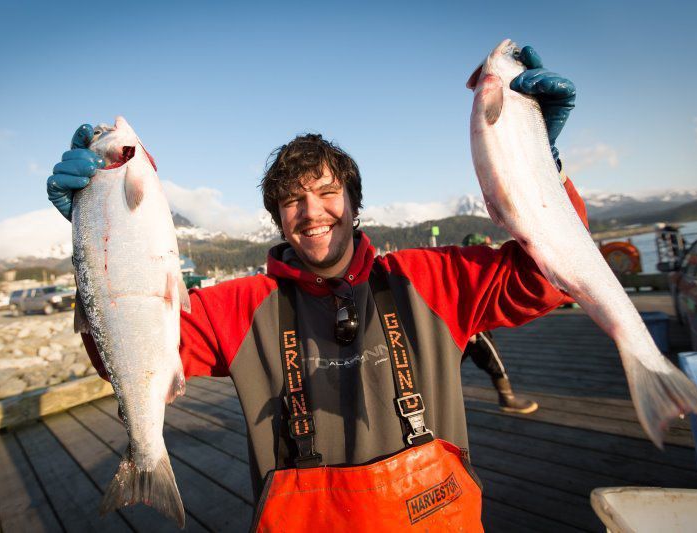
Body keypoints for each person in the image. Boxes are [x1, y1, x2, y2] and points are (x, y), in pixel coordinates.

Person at [47, 46, 583, 531]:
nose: (312, 213)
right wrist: (101, 247)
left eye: (328, 192)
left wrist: (542, 173)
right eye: (292, 201)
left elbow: (546, 279)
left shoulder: (426, 279)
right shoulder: (240, 308)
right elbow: (129, 341)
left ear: (354, 202)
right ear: (278, 219)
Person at [460, 234, 539, 414]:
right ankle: (507, 398)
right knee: (492, 360)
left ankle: (434, 400)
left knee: (450, 365)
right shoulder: (473, 265)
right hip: (472, 326)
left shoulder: (471, 263)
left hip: (471, 325)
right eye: (483, 246)